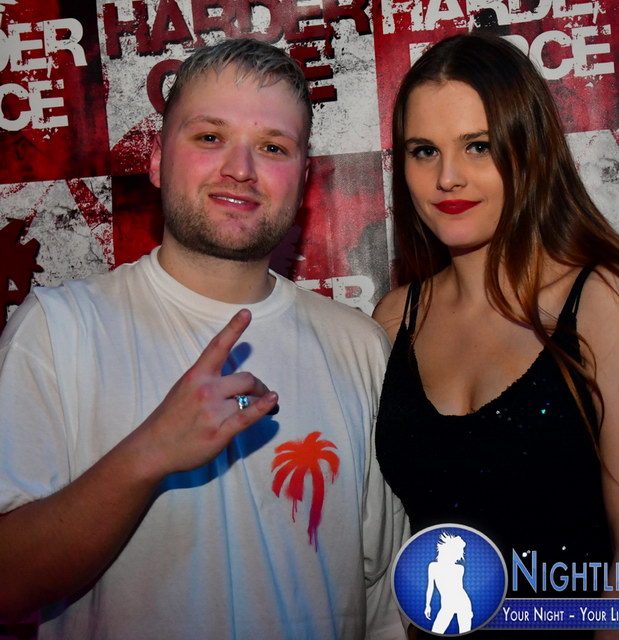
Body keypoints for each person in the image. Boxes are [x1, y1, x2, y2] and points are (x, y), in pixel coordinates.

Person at [0, 39, 406, 639]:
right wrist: (148, 454)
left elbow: (383, 601)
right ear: (157, 160)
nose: (240, 168)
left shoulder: (361, 346)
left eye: (272, 147)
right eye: (210, 136)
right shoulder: (58, 331)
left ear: (303, 179)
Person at [373, 32, 619, 638]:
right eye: (424, 151)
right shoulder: (392, 319)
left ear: (530, 149)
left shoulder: (605, 303)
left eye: (479, 146)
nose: (447, 178)